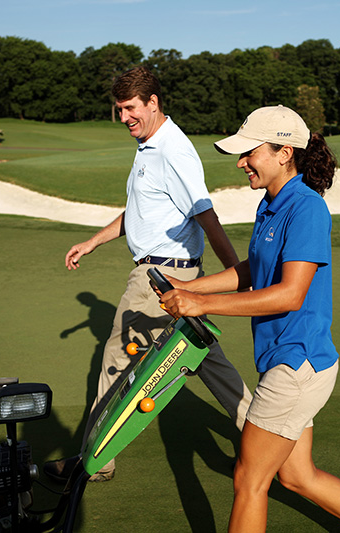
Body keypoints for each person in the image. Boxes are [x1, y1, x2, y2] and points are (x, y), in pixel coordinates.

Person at [158, 106, 340, 533]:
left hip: (298, 364)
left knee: (249, 479)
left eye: (249, 153)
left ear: (283, 153)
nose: (241, 163)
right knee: (296, 476)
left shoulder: (307, 209)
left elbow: (290, 294)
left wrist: (200, 306)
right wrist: (189, 289)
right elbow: (254, 271)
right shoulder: (270, 204)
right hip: (291, 361)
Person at [45, 66, 252, 483]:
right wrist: (93, 242)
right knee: (207, 361)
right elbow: (140, 212)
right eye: (119, 110)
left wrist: (236, 272)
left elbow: (205, 215)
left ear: (153, 103)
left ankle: (93, 462)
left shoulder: (172, 150)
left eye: (129, 109)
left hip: (159, 279)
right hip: (174, 274)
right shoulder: (150, 148)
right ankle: (266, 441)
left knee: (115, 362)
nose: (123, 118)